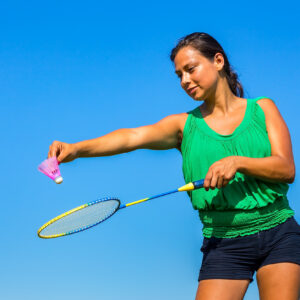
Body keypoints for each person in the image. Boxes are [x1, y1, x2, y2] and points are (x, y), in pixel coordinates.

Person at [48, 32, 300, 300]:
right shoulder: (184, 126)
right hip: (222, 241)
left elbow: (286, 169)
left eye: (191, 69)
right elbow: (133, 137)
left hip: (278, 233)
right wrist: (77, 149)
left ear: (218, 61)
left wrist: (238, 162)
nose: (185, 81)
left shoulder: (263, 109)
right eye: (179, 75)